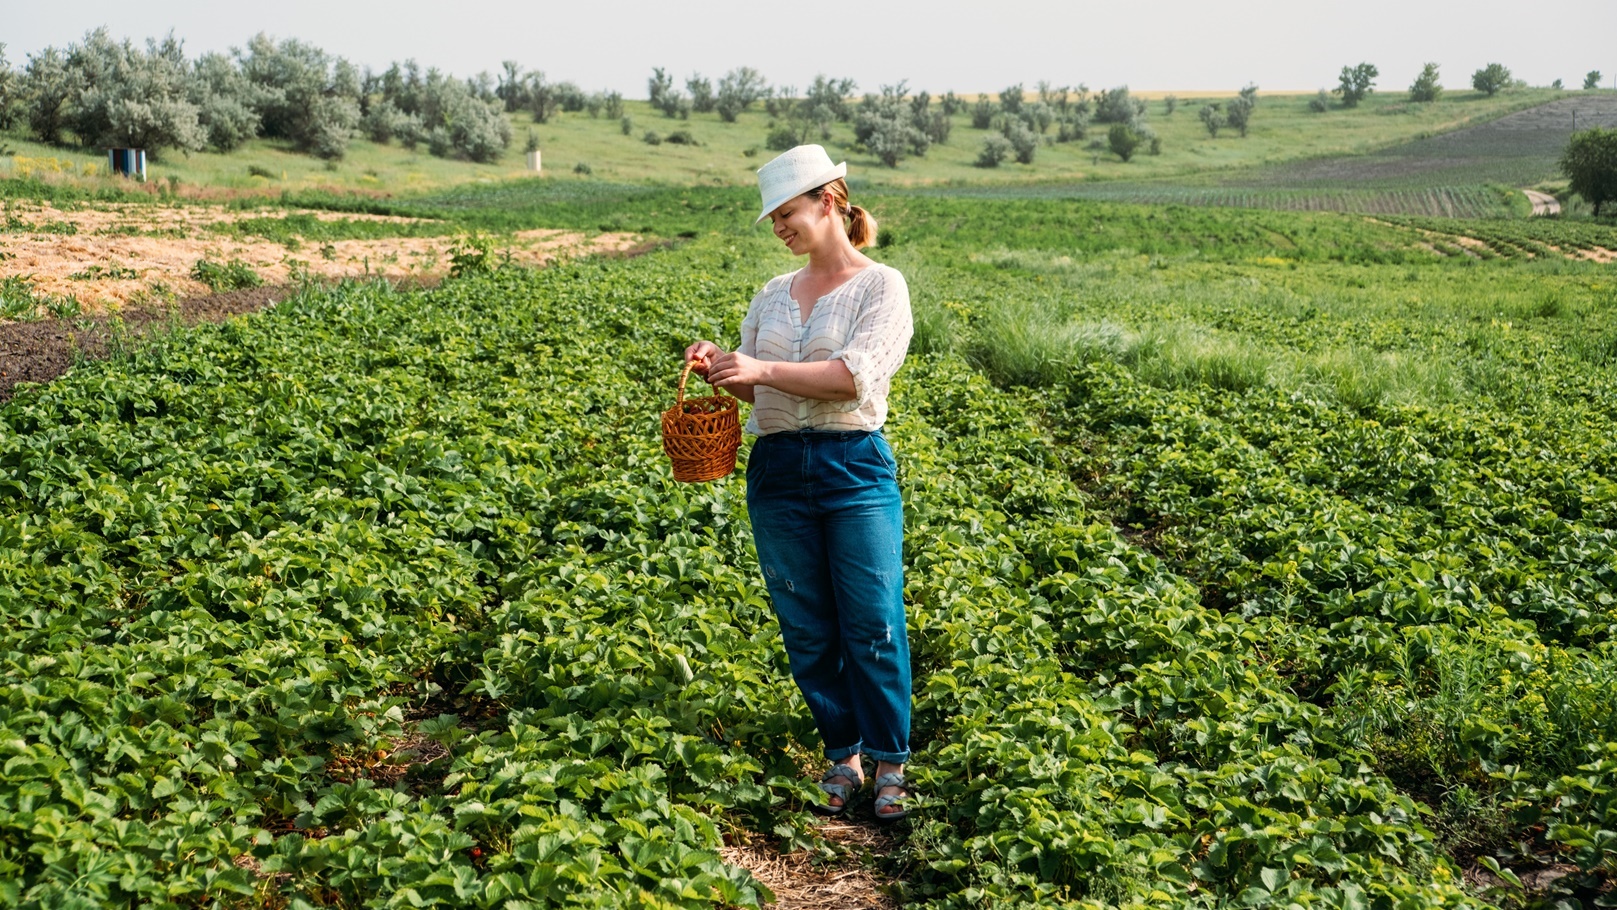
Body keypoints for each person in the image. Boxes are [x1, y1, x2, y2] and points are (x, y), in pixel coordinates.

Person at [684, 144, 915, 822]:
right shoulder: (771, 294)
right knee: (807, 625)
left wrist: (758, 370)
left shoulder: (881, 286)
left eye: (786, 212)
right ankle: (842, 754)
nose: (779, 227)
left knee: (872, 618)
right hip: (779, 468)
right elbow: (757, 397)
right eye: (773, 218)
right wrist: (719, 368)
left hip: (854, 465)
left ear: (828, 200)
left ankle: (890, 762)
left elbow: (852, 378)